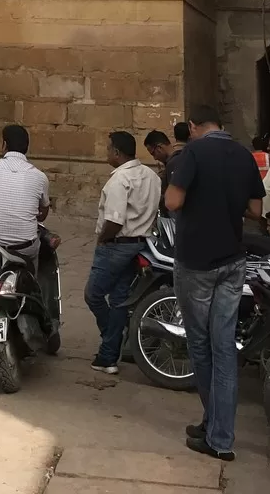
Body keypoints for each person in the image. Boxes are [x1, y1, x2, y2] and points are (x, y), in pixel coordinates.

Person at [165, 105, 266, 462]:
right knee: (224, 348)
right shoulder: (243, 154)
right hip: (232, 261)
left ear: (194, 127)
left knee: (200, 344)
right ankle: (216, 429)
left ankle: (217, 433)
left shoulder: (193, 153)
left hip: (196, 262)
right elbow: (256, 210)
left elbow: (173, 200)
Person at [85, 130, 160, 375]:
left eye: (108, 149)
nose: (106, 153)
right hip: (140, 244)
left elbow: (115, 221)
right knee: (119, 299)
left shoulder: (119, 180)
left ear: (117, 152)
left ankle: (112, 340)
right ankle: (107, 358)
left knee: (93, 295)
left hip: (117, 245)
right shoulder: (152, 176)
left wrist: (102, 239)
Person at [0, 124, 50, 269]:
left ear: (4, 145)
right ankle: (33, 279)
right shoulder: (40, 177)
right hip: (25, 248)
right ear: (26, 148)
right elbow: (43, 212)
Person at [144, 126, 187, 204]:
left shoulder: (173, 163)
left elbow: (174, 196)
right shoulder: (182, 157)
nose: (155, 158)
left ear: (159, 148)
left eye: (153, 153)